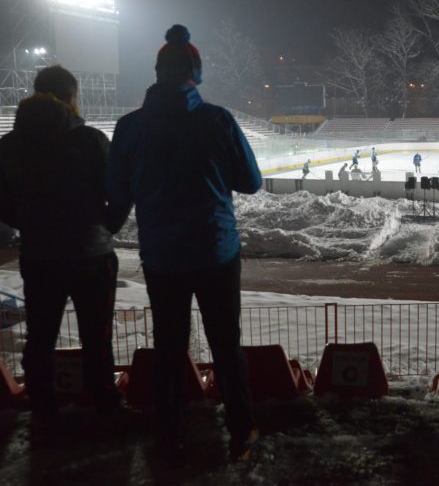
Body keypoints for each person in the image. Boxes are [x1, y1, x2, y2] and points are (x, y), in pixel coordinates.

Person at [106, 25, 261, 463]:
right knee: (226, 345)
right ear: (196, 73)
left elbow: (116, 194)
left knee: (169, 347)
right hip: (216, 252)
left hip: (163, 257)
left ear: (157, 73)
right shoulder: (218, 120)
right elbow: (251, 182)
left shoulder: (129, 127)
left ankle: (169, 434)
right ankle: (242, 429)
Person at [0, 65, 121, 437]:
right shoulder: (90, 140)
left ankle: (43, 412)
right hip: (91, 253)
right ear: (70, 98)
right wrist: (107, 226)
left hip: (40, 256)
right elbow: (118, 191)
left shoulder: (8, 144)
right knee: (95, 336)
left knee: (41, 335)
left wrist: (29, 224)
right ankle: (105, 408)